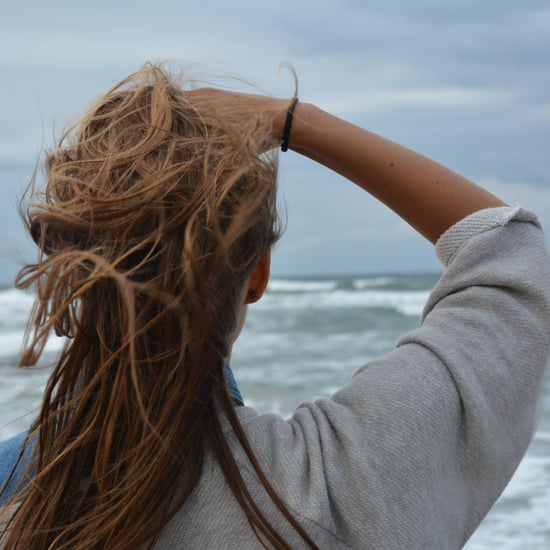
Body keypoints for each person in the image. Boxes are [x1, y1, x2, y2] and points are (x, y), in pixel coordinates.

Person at [0, 62, 549, 549]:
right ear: (257, 275)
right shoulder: (336, 487)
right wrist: (292, 122)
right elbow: (512, 253)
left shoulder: (15, 497)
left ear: (71, 271)